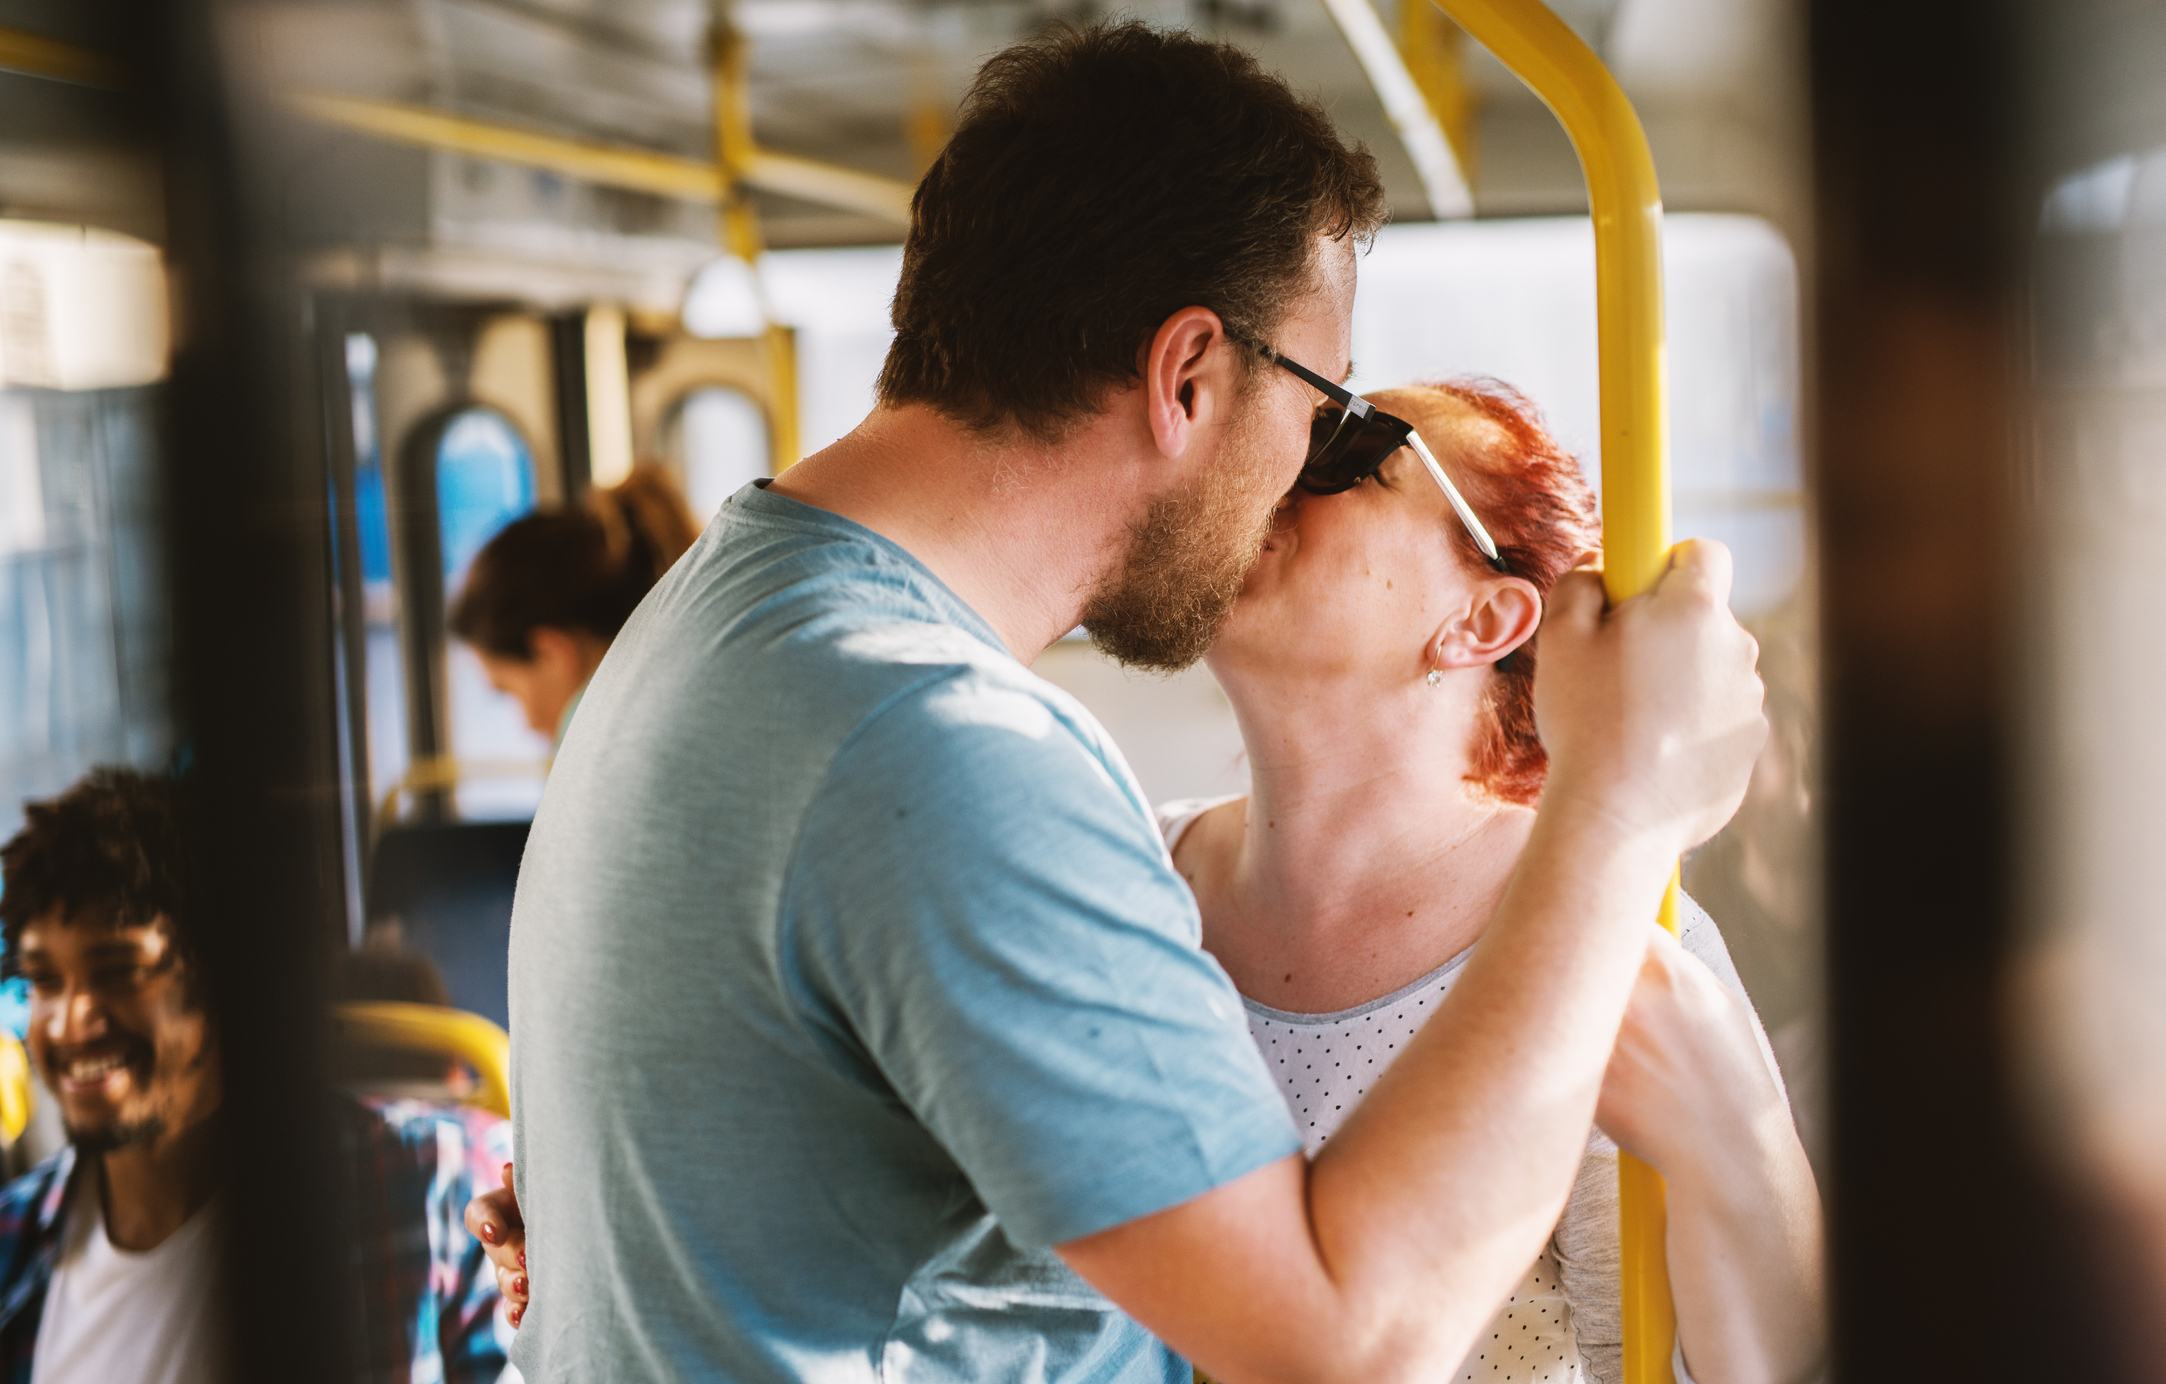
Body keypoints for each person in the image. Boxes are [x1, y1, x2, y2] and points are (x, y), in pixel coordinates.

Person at [473, 22, 1765, 1384]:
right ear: (1188, 375)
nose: (1296, 480)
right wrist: (1619, 806)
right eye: (1318, 413)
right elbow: (1347, 1342)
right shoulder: (940, 748)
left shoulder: (718, 623)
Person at [1166, 380, 1822, 1383]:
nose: (1269, 474)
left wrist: (1741, 1132)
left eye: (1349, 454)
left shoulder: (1602, 925)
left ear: (1483, 619)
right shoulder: (1124, 869)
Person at [0, 768, 513, 1383]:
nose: (69, 1022)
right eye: (46, 982)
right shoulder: (14, 1241)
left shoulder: (433, 1187)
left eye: (118, 971)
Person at [449, 464, 702, 744]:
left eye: (509, 691)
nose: (528, 725)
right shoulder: (686, 702)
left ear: (551, 653)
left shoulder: (616, 754)